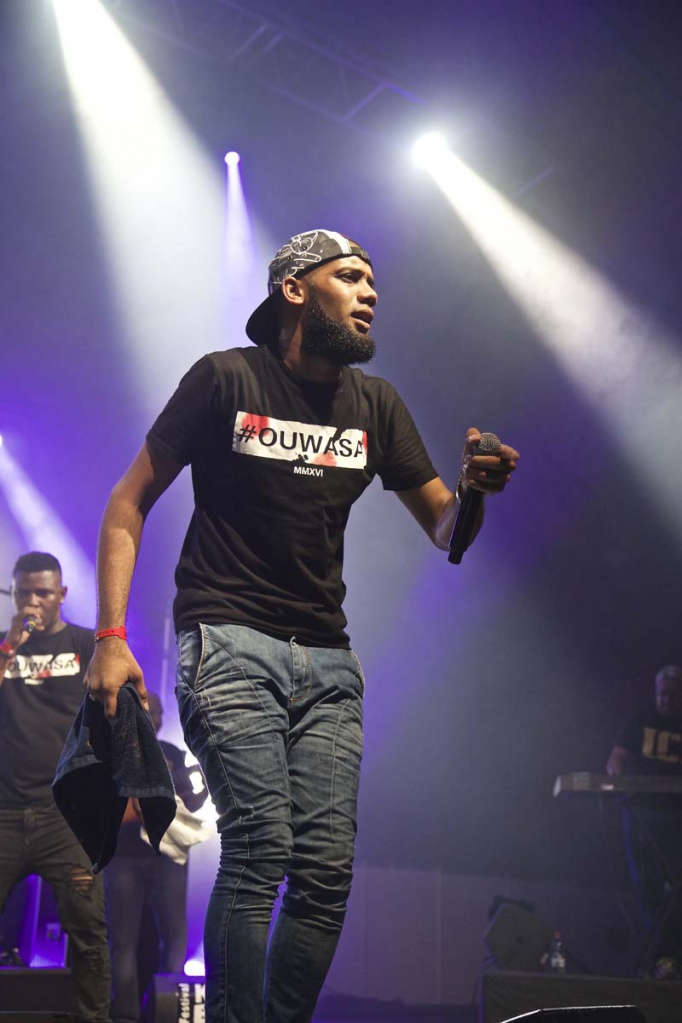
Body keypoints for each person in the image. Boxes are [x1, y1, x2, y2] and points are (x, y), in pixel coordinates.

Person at [85, 228, 520, 1022]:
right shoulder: (225, 378)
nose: (370, 292)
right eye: (349, 276)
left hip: (327, 661)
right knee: (262, 844)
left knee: (325, 872)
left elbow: (446, 530)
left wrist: (473, 493)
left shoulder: (376, 404)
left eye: (372, 281)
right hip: (227, 640)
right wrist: (109, 639)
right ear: (294, 289)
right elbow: (127, 500)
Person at [0, 551, 110, 1022]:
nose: (33, 602)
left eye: (43, 592)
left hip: (65, 818)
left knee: (88, 933)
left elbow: (123, 711)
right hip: (5, 812)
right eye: (24, 592)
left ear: (61, 594)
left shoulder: (85, 643)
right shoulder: (4, 649)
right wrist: (10, 645)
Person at [105, 689, 208, 1023]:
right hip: (124, 857)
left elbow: (193, 804)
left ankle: (165, 1013)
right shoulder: (115, 752)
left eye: (158, 713)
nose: (154, 719)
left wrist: (202, 784)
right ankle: (125, 1016)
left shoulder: (172, 752)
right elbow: (105, 811)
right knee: (123, 942)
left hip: (167, 859)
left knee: (175, 939)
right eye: (148, 713)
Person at [606, 664, 682, 979]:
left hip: (676, 816)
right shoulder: (640, 718)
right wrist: (617, 778)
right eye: (662, 694)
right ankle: (664, 959)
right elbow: (617, 758)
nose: (666, 700)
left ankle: (672, 956)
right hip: (642, 814)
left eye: (673, 694)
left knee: (674, 888)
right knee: (649, 888)